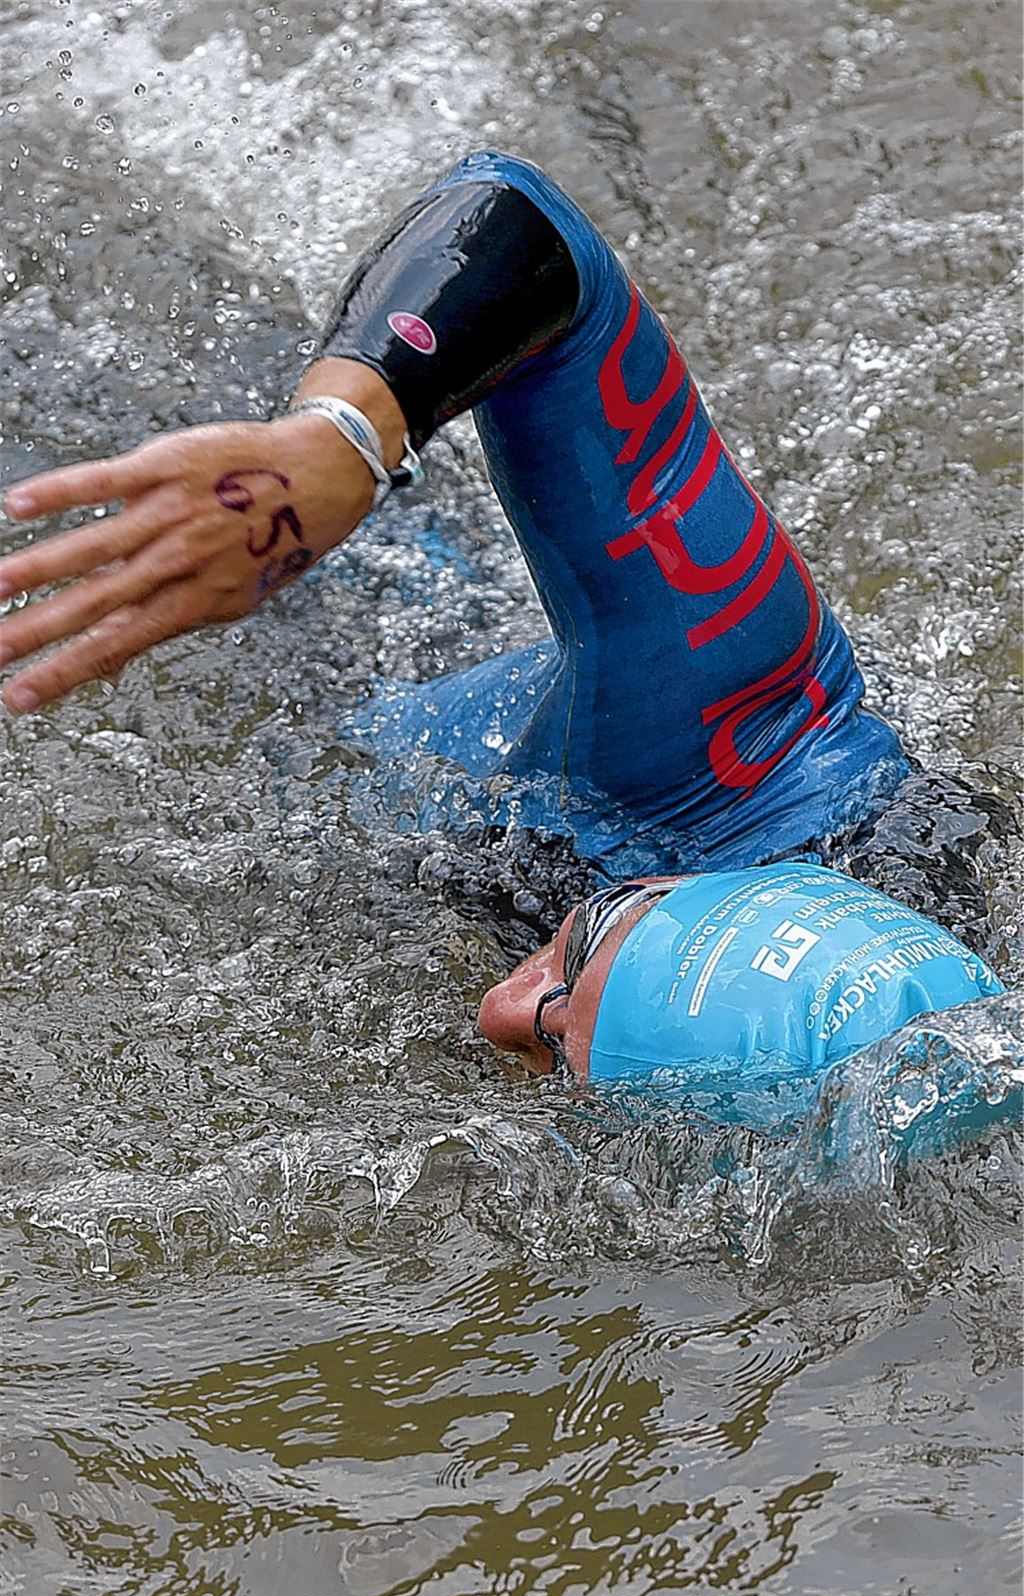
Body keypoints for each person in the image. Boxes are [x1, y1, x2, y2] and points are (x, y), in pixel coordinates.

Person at [0, 151, 1009, 1111]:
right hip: (297, 559)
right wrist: (343, 437)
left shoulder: (873, 1069)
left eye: (569, 1059)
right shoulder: (731, 718)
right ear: (680, 893)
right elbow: (520, 219)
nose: (502, 1011)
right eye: (589, 946)